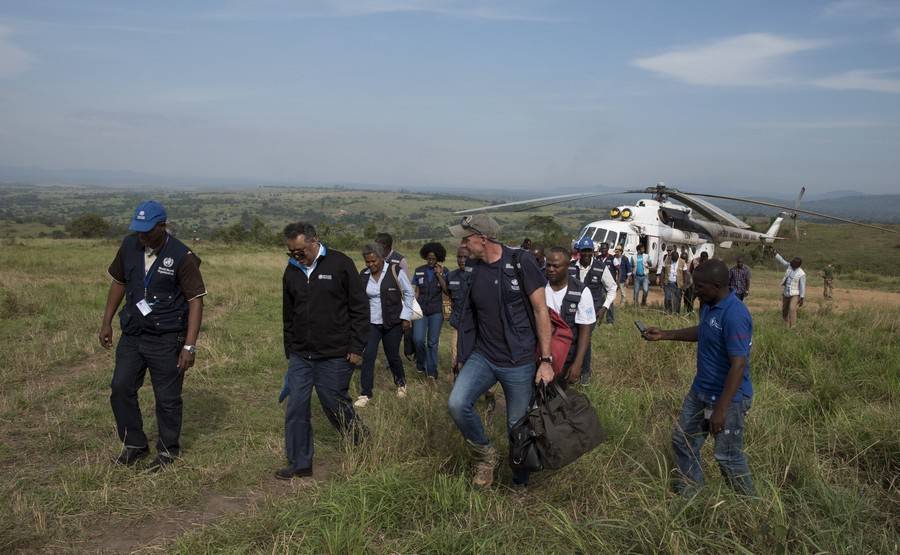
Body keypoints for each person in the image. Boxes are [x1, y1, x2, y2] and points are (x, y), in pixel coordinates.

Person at [447, 214, 555, 489]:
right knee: (457, 404)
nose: (462, 245)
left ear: (483, 240)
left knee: (517, 428)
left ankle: (520, 483)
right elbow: (466, 314)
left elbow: (541, 310)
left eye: (466, 239)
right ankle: (486, 455)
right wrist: (460, 351)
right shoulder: (472, 267)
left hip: (519, 361)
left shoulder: (521, 262)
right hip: (483, 356)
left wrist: (545, 360)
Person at [100, 200, 206, 469]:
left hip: (167, 337)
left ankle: (168, 451)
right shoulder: (129, 245)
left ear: (163, 226)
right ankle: (134, 444)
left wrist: (189, 346)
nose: (142, 235)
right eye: (138, 229)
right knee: (120, 387)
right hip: (134, 333)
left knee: (167, 398)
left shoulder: (182, 256)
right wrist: (106, 322)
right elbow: (119, 283)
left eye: (147, 230)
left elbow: (196, 300)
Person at [643, 259, 755, 495]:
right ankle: (692, 497)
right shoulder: (708, 304)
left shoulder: (735, 315)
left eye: (700, 286)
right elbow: (704, 331)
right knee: (683, 441)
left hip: (728, 399)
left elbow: (738, 365)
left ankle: (751, 508)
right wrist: (664, 334)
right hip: (700, 391)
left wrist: (721, 410)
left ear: (717, 285)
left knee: (727, 457)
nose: (696, 290)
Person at [278, 222, 368, 480]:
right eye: (292, 253)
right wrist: (290, 348)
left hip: (336, 353)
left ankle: (359, 441)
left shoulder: (340, 264)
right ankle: (299, 463)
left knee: (333, 403)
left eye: (300, 251)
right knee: (296, 406)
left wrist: (356, 346)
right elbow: (288, 313)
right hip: (301, 354)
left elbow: (359, 308)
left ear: (315, 240)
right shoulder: (292, 271)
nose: (297, 256)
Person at [354, 243, 416, 408]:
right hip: (372, 323)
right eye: (367, 262)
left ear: (382, 258)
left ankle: (401, 384)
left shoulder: (395, 271)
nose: (370, 265)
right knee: (368, 356)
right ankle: (365, 393)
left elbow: (409, 293)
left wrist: (406, 317)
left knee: (392, 355)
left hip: (393, 323)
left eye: (374, 261)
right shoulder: (364, 275)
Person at [568, 237, 617, 384]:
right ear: (579, 252)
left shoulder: (600, 268)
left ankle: (585, 372)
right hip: (572, 311)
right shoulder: (570, 267)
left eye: (589, 251)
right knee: (572, 339)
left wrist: (604, 307)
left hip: (592, 313)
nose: (587, 254)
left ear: (593, 252)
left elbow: (612, 288)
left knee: (585, 340)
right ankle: (570, 368)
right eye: (584, 251)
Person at [544, 247, 596, 384]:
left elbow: (585, 331)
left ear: (567, 266)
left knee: (557, 398)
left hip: (566, 356)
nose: (550, 269)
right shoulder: (539, 286)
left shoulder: (581, 291)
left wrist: (578, 363)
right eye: (548, 265)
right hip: (540, 353)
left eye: (555, 266)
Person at [412, 242, 449, 379]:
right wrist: (412, 308)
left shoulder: (444, 271)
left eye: (433, 259)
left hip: (436, 311)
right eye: (429, 258)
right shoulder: (419, 270)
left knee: (432, 342)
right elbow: (417, 291)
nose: (431, 261)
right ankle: (420, 363)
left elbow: (446, 290)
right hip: (421, 310)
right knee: (418, 339)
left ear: (438, 258)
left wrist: (439, 275)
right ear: (425, 257)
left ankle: (432, 371)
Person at [447, 245, 473, 376]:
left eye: (465, 257)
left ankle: (489, 392)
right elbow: (449, 294)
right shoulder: (451, 275)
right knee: (455, 357)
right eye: (459, 257)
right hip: (457, 323)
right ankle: (457, 386)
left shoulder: (477, 275)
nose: (462, 260)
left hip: (475, 326)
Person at [774, 251, 805, 328]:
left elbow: (802, 286)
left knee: (792, 308)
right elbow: (783, 262)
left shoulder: (801, 274)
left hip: (795, 294)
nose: (792, 265)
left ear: (798, 265)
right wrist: (776, 254)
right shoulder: (789, 266)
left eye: (794, 265)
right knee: (784, 310)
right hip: (786, 293)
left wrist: (802, 297)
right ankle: (786, 325)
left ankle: (793, 327)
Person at [596, 242, 617, 323]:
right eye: (602, 248)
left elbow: (619, 269)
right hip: (599, 284)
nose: (603, 250)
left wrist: (617, 282)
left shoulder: (612, 259)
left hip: (609, 284)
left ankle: (610, 320)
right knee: (599, 301)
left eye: (605, 248)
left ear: (608, 249)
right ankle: (596, 318)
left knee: (610, 302)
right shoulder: (597, 258)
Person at [663, 246, 687, 314]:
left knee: (677, 300)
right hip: (668, 283)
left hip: (678, 284)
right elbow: (663, 271)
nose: (674, 261)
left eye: (675, 259)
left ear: (678, 257)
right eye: (673, 259)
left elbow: (685, 274)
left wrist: (684, 284)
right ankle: (668, 313)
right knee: (667, 298)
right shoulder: (667, 260)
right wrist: (662, 282)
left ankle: (677, 313)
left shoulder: (682, 262)